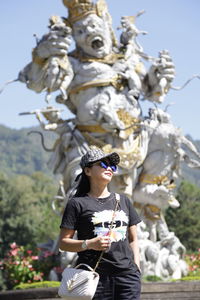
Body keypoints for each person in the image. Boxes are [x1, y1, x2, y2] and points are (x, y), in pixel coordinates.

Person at [59, 147, 142, 300]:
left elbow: (133, 239)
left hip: (127, 278)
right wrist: (89, 244)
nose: (109, 168)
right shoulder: (77, 204)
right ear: (88, 171)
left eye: (112, 166)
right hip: (95, 278)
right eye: (103, 164)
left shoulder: (123, 201)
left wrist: (136, 267)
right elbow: (63, 243)